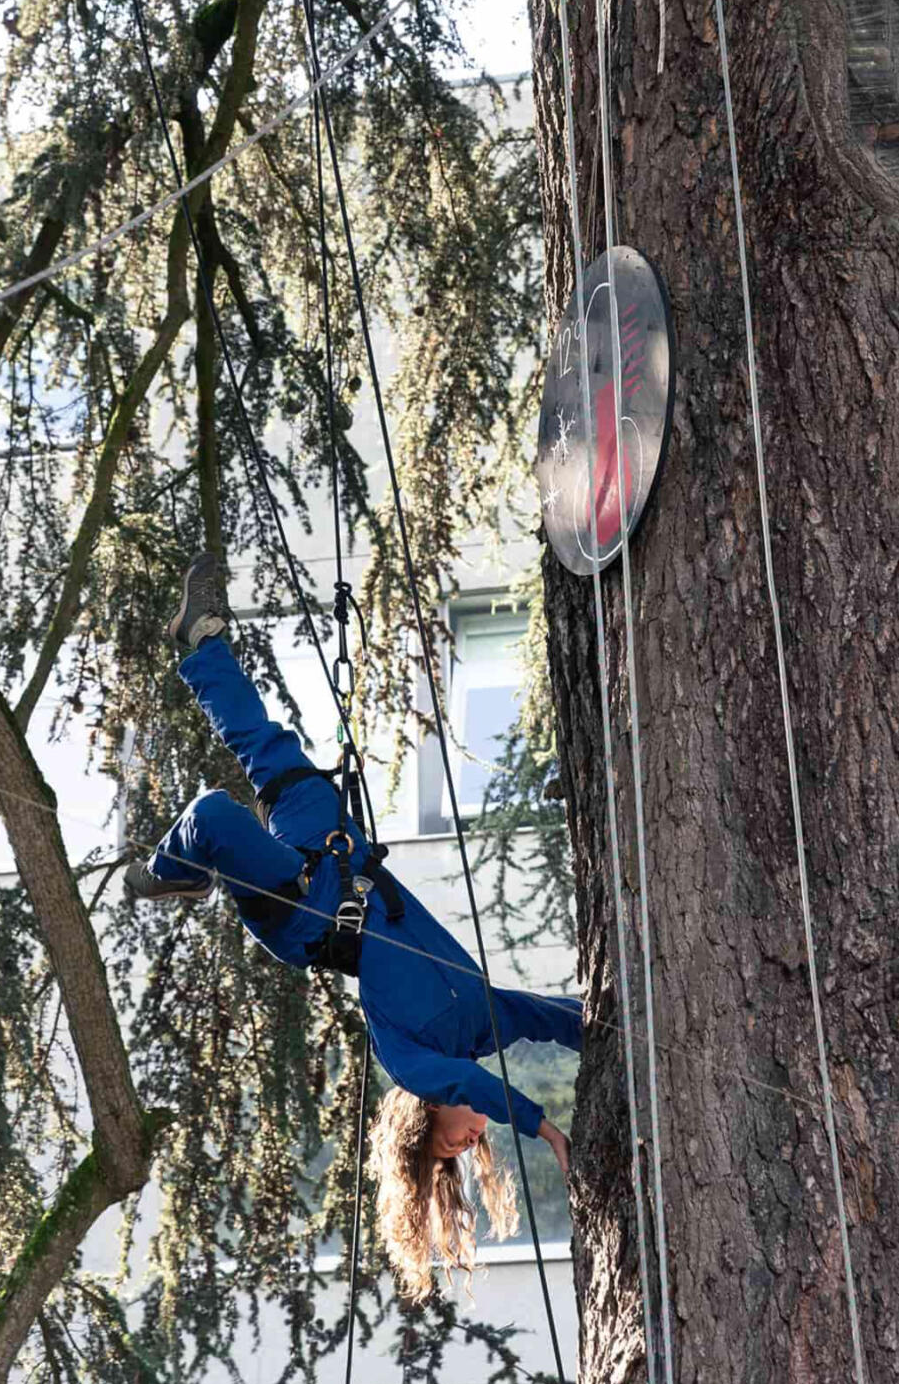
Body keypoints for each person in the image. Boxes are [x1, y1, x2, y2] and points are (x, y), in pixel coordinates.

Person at [128, 553, 583, 1302]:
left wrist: (542, 1128)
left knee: (213, 816)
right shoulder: (480, 1021)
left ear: (425, 1123)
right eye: (471, 1146)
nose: (471, 1139)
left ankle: (171, 868)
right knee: (275, 757)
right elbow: (545, 1016)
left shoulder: (412, 1062)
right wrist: (607, 1028)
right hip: (342, 864)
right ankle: (201, 641)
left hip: (307, 918)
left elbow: (469, 1083)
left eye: (450, 1147)